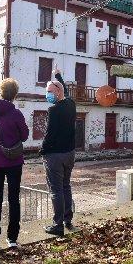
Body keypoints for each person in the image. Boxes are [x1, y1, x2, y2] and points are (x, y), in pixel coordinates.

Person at [0, 78, 29, 251]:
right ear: (15, 94)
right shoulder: (16, 113)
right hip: (14, 161)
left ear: (1, 91)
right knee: (14, 199)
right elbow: (24, 136)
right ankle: (12, 239)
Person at [41, 66, 76, 237]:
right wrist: (58, 76)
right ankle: (67, 219)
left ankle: (57, 225)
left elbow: (49, 134)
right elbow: (65, 90)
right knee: (66, 186)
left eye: (50, 91)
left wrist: (42, 151)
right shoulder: (71, 104)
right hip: (69, 154)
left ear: (57, 92)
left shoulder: (53, 110)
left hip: (55, 155)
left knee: (56, 190)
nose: (48, 95)